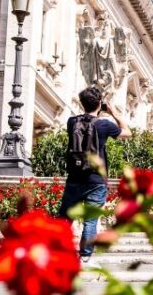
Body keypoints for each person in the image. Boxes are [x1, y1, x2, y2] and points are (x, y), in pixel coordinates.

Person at [58, 86, 131, 264]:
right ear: (100, 103)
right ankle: (85, 255)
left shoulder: (71, 122)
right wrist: (112, 112)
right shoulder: (104, 124)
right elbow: (128, 133)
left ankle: (57, 249)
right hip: (96, 180)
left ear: (82, 103)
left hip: (75, 177)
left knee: (65, 217)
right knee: (90, 221)